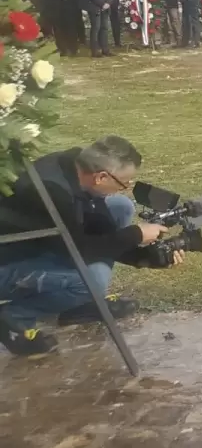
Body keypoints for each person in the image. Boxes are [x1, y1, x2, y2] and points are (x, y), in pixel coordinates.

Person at [0, 136, 184, 356]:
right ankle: (13, 316)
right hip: (9, 260)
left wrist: (145, 257)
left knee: (120, 206)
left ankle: (76, 306)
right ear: (101, 177)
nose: (125, 187)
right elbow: (80, 250)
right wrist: (135, 234)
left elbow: (99, 230)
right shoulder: (51, 192)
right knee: (92, 282)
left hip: (43, 244)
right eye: (123, 182)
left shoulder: (74, 168)